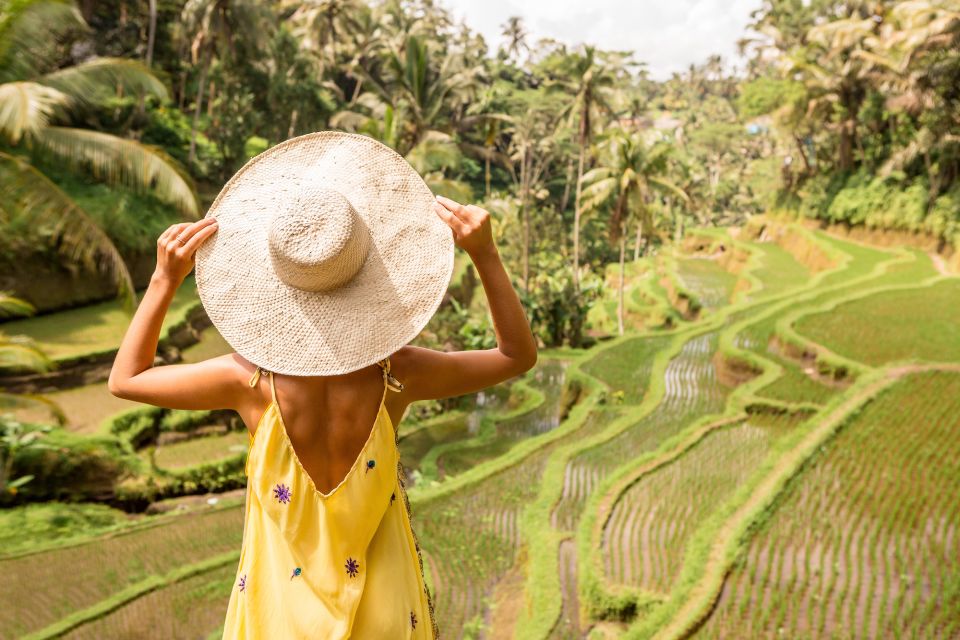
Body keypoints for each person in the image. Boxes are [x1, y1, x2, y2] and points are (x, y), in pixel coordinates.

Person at [108, 132, 538, 638]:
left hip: (279, 614)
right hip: (384, 609)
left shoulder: (247, 381)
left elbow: (126, 379)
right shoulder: (398, 372)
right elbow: (517, 355)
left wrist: (164, 280)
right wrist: (485, 254)